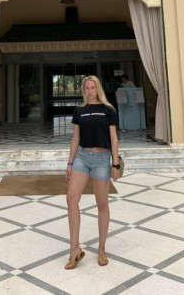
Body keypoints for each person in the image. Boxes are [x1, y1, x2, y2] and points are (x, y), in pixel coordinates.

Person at [65, 75, 121, 269]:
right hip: (82, 157)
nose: (90, 91)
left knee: (102, 204)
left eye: (93, 87)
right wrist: (70, 162)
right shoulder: (79, 110)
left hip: (102, 160)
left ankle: (102, 248)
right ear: (84, 90)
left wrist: (115, 164)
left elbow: (113, 138)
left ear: (98, 89)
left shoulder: (108, 110)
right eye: (87, 88)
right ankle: (74, 250)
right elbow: (75, 139)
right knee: (71, 200)